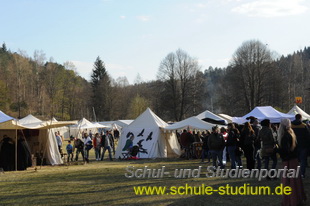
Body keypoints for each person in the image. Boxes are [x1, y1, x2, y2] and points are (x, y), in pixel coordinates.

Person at [278, 118, 306, 206]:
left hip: (288, 161)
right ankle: (297, 199)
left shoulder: (285, 136)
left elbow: (286, 151)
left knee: (289, 182)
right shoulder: (291, 133)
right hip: (293, 160)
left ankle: (291, 201)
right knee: (295, 181)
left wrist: (277, 150)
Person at [291, 114, 310, 178]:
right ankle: (302, 174)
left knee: (294, 159)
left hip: (294, 145)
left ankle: (294, 173)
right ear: (301, 118)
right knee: (303, 160)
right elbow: (308, 136)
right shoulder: (303, 125)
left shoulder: (291, 125)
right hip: (303, 145)